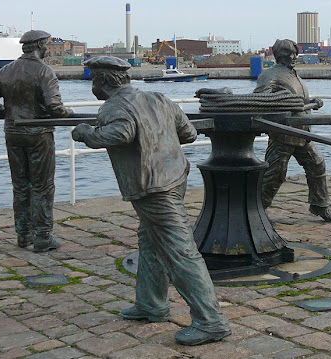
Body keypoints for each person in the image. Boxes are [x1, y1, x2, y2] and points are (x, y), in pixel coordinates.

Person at [71, 56, 231, 346]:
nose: (92, 83)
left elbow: (121, 133)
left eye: (93, 78)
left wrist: (87, 133)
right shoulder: (159, 97)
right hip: (175, 177)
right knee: (150, 240)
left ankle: (211, 321)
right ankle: (151, 303)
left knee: (180, 251)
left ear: (105, 80)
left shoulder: (114, 106)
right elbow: (189, 133)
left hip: (153, 188)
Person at [0, 30, 74, 253]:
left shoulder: (6, 70)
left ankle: (23, 234)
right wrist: (69, 113)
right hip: (38, 134)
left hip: (13, 132)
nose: (47, 48)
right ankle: (42, 237)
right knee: (42, 185)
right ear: (40, 46)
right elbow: (54, 108)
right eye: (46, 45)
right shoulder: (44, 72)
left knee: (20, 185)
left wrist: (6, 114)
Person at [254, 39, 331, 222]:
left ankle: (320, 205)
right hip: (284, 134)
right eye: (288, 54)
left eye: (294, 54)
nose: (293, 57)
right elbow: (261, 101)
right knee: (274, 174)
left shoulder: (293, 75)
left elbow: (298, 102)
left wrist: (312, 103)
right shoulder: (270, 76)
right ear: (279, 56)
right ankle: (256, 209)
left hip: (302, 132)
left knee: (317, 164)